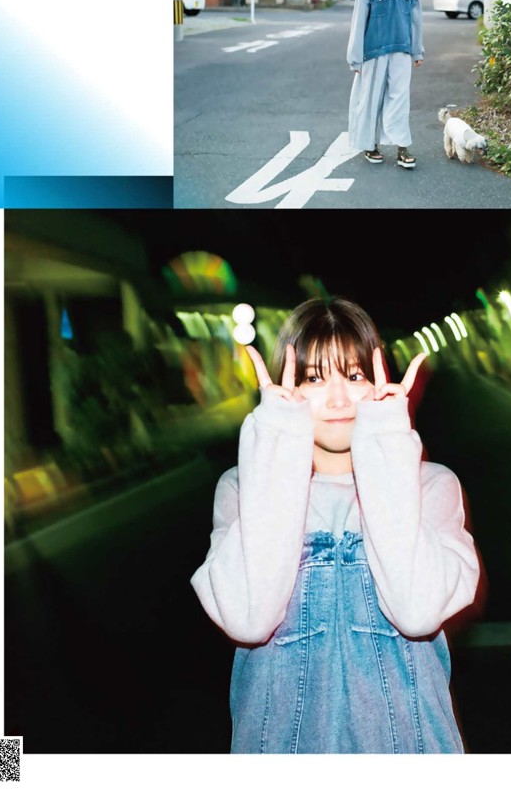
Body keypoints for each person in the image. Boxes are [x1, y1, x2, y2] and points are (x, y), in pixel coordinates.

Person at [191, 298, 479, 754]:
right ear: (287, 389)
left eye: (354, 374)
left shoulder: (430, 487)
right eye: (314, 378)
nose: (340, 398)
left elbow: (417, 611)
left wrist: (385, 443)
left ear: (377, 380)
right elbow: (248, 619)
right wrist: (276, 442)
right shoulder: (245, 489)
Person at [347, 0, 424, 168]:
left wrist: (417, 50)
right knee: (371, 99)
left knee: (400, 99)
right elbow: (359, 19)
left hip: (401, 48)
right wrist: (355, 58)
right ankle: (370, 145)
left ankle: (402, 148)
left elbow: (416, 19)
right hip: (374, 51)